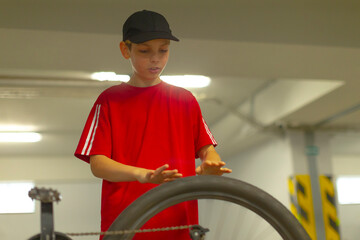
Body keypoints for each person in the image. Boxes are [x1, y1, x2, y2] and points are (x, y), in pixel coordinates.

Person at [74, 9, 232, 240]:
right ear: (125, 50)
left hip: (178, 226)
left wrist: (211, 165)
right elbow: (98, 164)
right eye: (145, 50)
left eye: (163, 50)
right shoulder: (109, 100)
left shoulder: (185, 100)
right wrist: (143, 175)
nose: (155, 58)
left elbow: (208, 149)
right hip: (126, 225)